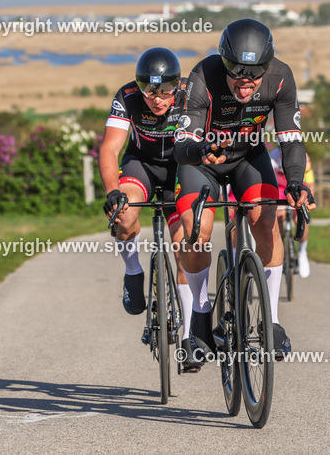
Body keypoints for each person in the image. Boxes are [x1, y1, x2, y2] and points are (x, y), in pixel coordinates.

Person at [174, 18, 315, 361]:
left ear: (267, 67)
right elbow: (182, 145)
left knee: (265, 220)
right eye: (236, 70)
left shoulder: (281, 77)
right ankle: (202, 315)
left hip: (248, 159)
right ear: (223, 62)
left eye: (255, 71)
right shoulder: (203, 76)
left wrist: (295, 180)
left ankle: (273, 322)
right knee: (198, 231)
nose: (246, 80)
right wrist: (201, 148)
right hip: (201, 162)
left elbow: (292, 140)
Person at [99, 47, 202, 370]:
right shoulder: (127, 96)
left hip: (179, 169)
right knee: (125, 214)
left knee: (186, 245)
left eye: (165, 91)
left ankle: (189, 335)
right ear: (139, 86)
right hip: (141, 164)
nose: (158, 99)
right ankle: (133, 271)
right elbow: (111, 147)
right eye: (150, 91)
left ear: (177, 84)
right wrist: (113, 191)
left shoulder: (191, 94)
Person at [269, 146, 313, 277]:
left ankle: (302, 252)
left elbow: (310, 181)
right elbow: (270, 180)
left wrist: (309, 199)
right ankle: (283, 243)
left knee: (299, 219)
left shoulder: (303, 155)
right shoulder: (273, 156)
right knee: (279, 215)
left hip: (298, 187)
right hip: (280, 188)